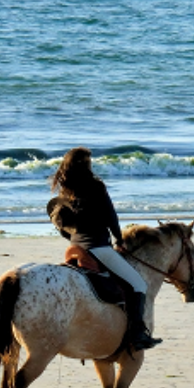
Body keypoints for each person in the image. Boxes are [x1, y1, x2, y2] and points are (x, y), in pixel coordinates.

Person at [46, 147, 161, 352]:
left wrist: (73, 238)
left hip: (75, 248)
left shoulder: (66, 190)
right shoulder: (96, 187)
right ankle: (137, 334)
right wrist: (119, 239)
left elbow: (62, 225)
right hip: (99, 248)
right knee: (139, 284)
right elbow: (111, 216)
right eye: (89, 161)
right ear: (87, 164)